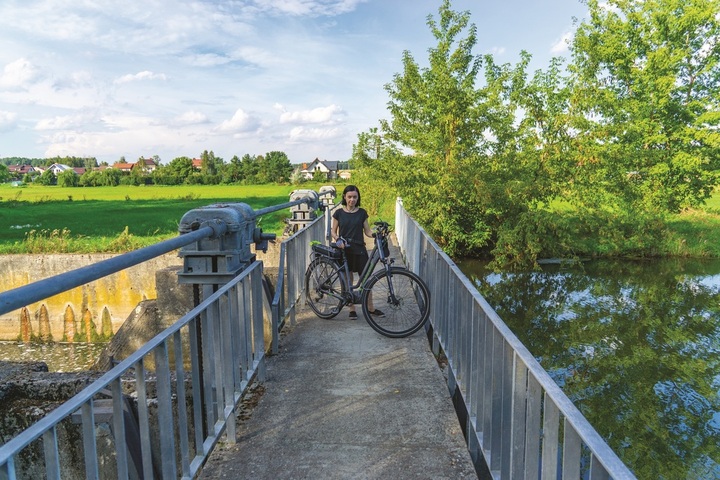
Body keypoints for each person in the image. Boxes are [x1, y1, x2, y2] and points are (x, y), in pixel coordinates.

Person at [331, 185, 384, 319]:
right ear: (344, 197)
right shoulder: (338, 213)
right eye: (349, 197)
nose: (352, 200)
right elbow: (333, 231)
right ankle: (352, 309)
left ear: (358, 197)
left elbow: (367, 231)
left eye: (355, 197)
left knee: (366, 279)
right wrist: (338, 240)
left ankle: (370, 308)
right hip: (345, 250)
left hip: (360, 249)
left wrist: (376, 235)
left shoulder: (362, 213)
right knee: (349, 279)